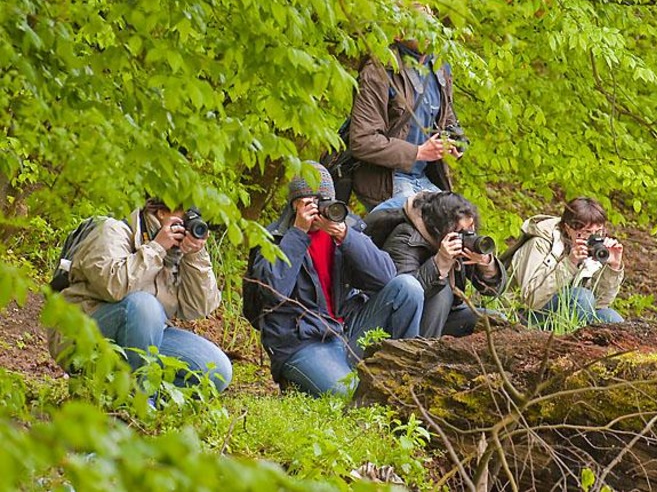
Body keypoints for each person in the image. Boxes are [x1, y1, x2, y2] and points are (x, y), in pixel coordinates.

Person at [244, 161, 424, 398]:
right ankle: (302, 378)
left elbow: (386, 276)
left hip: (347, 329)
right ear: (295, 204)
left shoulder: (344, 228)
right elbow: (273, 292)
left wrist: (345, 236)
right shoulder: (273, 239)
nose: (319, 208)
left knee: (408, 288)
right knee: (349, 394)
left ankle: (402, 374)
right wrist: (298, 233)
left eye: (324, 201)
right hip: (302, 341)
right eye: (311, 202)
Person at [49, 199, 233, 393]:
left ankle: (122, 396)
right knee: (145, 306)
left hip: (144, 339)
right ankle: (137, 400)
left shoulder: (177, 251)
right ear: (162, 212)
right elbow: (113, 286)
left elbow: (199, 307)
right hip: (80, 334)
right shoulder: (113, 230)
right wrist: (157, 247)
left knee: (217, 370)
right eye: (185, 218)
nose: (188, 228)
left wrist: (195, 255)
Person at [348, 4, 465, 212]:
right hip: (387, 180)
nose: (427, 34)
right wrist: (418, 152)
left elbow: (447, 119)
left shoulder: (440, 68)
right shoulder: (379, 71)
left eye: (431, 26)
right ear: (398, 34)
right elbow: (362, 141)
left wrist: (455, 142)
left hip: (425, 177)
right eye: (418, 27)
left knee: (463, 222)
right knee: (420, 224)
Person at [376, 191, 507, 338]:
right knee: (442, 290)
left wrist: (486, 264)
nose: (469, 234)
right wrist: (439, 263)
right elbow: (404, 296)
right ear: (443, 229)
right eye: (461, 231)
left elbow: (494, 290)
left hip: (446, 315)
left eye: (471, 227)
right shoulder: (405, 238)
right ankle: (422, 350)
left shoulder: (461, 239)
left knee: (496, 322)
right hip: (406, 325)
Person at [508, 197, 625, 326]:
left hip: (570, 312)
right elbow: (531, 299)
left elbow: (600, 303)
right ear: (568, 228)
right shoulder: (539, 243)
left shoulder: (594, 250)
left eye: (599, 232)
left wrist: (613, 267)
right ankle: (568, 338)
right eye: (587, 232)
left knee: (611, 317)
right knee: (582, 297)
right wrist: (570, 264)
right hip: (525, 316)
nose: (593, 237)